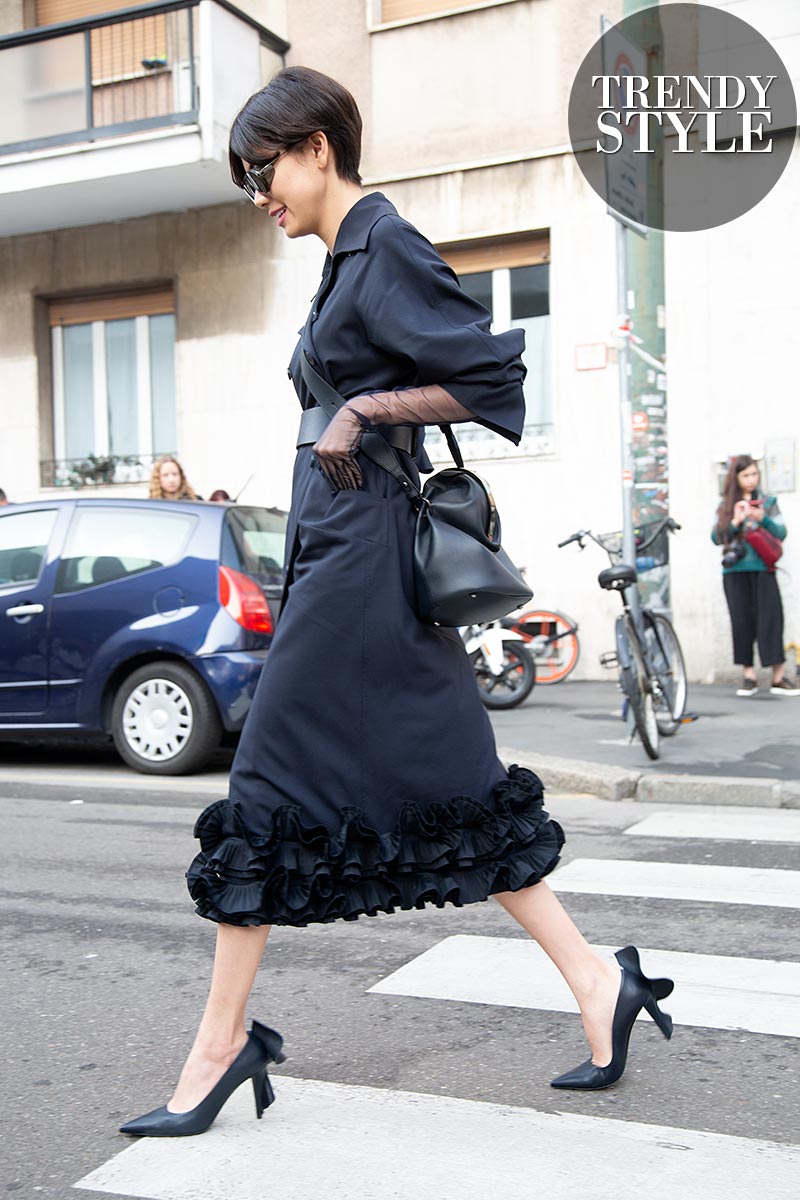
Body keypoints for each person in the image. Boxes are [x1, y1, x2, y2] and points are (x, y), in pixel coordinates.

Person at [120, 67, 674, 1139]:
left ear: (318, 146)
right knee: (449, 778)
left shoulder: (383, 245)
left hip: (365, 557)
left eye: (263, 169)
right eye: (246, 179)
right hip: (338, 552)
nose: (258, 195)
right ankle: (596, 982)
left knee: (266, 775)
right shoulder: (344, 260)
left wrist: (364, 408)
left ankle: (218, 1046)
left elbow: (494, 382)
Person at [712, 454, 798, 697]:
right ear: (736, 478)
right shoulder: (726, 505)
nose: (751, 480)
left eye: (754, 474)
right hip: (735, 571)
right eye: (745, 475)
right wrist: (735, 521)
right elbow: (716, 537)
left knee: (771, 620)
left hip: (763, 568)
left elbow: (781, 532)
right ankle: (748, 675)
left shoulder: (768, 502)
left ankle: (778, 676)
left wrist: (763, 519)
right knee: (741, 622)